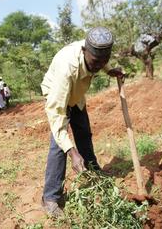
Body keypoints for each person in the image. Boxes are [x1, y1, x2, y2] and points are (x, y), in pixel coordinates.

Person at [40, 27, 124, 218]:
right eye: (96, 62)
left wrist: (109, 69)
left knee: (84, 133)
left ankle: (94, 173)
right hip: (58, 96)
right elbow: (57, 114)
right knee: (59, 146)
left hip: (76, 95)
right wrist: (72, 152)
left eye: (104, 61)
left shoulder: (96, 53)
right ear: (85, 51)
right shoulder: (66, 68)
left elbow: (101, 61)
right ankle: (50, 198)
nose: (98, 66)